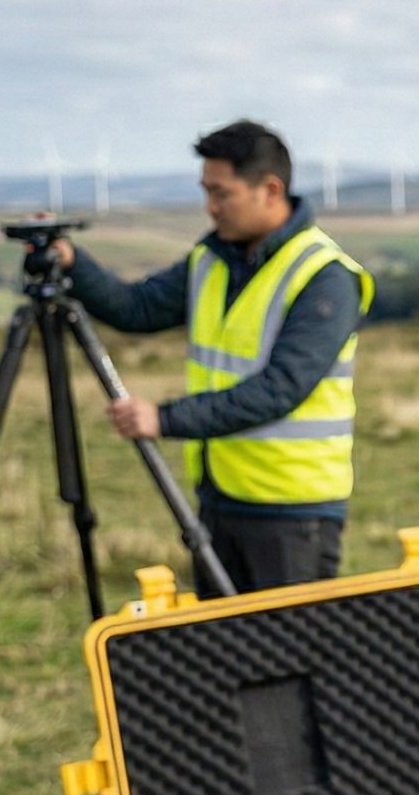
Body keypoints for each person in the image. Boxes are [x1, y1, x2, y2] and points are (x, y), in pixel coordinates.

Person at [42, 120, 374, 592]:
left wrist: (165, 418)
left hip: (293, 512)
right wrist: (73, 262)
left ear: (270, 189)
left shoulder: (325, 277)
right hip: (219, 500)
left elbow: (278, 390)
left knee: (289, 661)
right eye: (206, 192)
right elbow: (136, 308)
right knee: (225, 659)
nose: (211, 207)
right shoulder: (211, 260)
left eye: (222, 193)